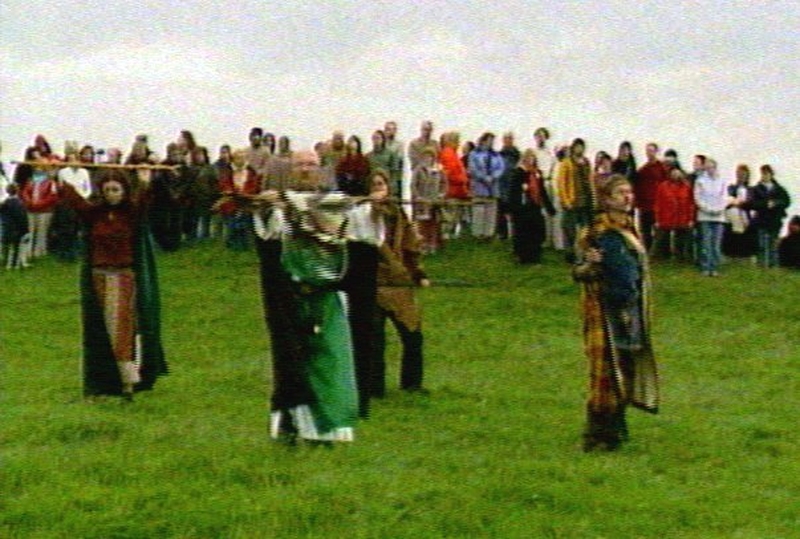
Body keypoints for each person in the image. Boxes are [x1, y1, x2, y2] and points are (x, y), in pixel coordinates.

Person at [250, 150, 359, 444]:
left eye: (311, 165)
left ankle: (332, 429)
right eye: (300, 165)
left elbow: (342, 229)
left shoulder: (334, 203)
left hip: (326, 294)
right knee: (292, 362)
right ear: (291, 170)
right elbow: (268, 234)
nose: (306, 170)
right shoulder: (280, 208)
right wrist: (266, 206)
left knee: (331, 360)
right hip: (290, 296)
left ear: (320, 169)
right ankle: (292, 425)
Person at [57, 169, 168, 400]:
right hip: (99, 277)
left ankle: (128, 382)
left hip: (123, 278)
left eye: (115, 190)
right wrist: (60, 180)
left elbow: (144, 203)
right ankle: (101, 384)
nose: (111, 195)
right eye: (107, 190)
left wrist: (146, 183)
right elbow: (77, 202)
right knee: (100, 331)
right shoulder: (95, 214)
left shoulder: (131, 214)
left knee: (122, 330)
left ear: (124, 191)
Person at [573, 174, 659, 452]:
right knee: (606, 371)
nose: (627, 197)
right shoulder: (597, 232)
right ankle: (598, 433)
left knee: (627, 368)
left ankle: (618, 426)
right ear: (607, 199)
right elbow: (579, 271)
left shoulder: (630, 229)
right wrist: (589, 264)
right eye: (621, 193)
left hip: (630, 308)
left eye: (629, 192)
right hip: (605, 309)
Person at [370, 169, 430, 395]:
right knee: (375, 340)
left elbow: (411, 246)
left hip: (399, 284)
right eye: (374, 185)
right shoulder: (362, 215)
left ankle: (412, 384)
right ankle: (374, 388)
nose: (379, 190)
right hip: (373, 284)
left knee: (413, 335)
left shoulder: (398, 213)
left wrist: (419, 273)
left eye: (382, 185)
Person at [508, 149, 555, 264]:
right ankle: (522, 256)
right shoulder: (518, 173)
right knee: (523, 233)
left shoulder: (537, 173)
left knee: (537, 231)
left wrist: (549, 207)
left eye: (532, 157)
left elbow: (542, 191)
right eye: (528, 157)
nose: (530, 160)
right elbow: (513, 193)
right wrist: (512, 209)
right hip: (522, 209)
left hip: (535, 206)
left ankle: (536, 256)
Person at [741, 165, 791, 268]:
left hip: (775, 220)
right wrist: (765, 204)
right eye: (763, 173)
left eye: (767, 173)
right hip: (761, 220)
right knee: (761, 244)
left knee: (773, 245)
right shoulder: (756, 189)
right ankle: (762, 265)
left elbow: (787, 201)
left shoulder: (779, 189)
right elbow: (751, 203)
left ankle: (773, 266)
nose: (765, 176)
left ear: (771, 174)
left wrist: (776, 203)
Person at [556, 138, 592, 261]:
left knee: (585, 230)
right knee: (569, 229)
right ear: (573, 148)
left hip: (585, 201)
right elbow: (561, 183)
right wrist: (565, 201)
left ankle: (584, 254)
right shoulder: (566, 163)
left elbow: (590, 180)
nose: (579, 149)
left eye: (581, 146)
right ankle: (570, 254)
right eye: (577, 146)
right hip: (572, 201)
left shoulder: (586, 162)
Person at [652, 168, 696, 261]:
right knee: (661, 238)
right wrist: (657, 219)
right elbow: (658, 202)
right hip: (666, 216)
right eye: (673, 173)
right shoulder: (663, 186)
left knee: (681, 238)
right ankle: (660, 256)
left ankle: (680, 257)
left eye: (678, 173)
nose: (676, 175)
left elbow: (691, 203)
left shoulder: (686, 187)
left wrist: (691, 218)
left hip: (682, 216)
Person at [694, 158, 728, 276]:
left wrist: (718, 209)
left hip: (719, 217)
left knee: (716, 243)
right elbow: (698, 198)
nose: (710, 170)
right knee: (706, 243)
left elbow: (724, 197)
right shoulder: (700, 181)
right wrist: (708, 209)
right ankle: (705, 267)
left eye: (712, 167)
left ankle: (714, 267)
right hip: (705, 216)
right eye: (707, 167)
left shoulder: (722, 180)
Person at [468, 132, 505, 240]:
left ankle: (489, 234)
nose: (491, 143)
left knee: (491, 210)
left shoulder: (496, 155)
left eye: (493, 141)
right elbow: (473, 168)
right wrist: (484, 177)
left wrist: (493, 176)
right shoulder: (474, 154)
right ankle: (478, 234)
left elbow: (501, 168)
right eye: (489, 140)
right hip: (479, 185)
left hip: (493, 186)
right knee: (479, 210)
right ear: (483, 140)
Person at [411, 148, 446, 254]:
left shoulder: (439, 169)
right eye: (425, 156)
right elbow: (413, 184)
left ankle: (432, 245)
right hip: (422, 202)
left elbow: (444, 183)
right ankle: (423, 245)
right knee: (422, 225)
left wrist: (441, 195)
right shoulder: (418, 169)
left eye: (430, 156)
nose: (428, 158)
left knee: (433, 224)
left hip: (435, 202)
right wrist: (418, 196)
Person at [635, 143, 669, 251]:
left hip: (659, 204)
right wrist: (637, 203)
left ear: (656, 152)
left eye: (651, 150)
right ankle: (648, 251)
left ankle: (663, 252)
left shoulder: (662, 168)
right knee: (646, 230)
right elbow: (638, 187)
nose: (649, 153)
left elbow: (666, 185)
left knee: (661, 229)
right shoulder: (642, 170)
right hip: (645, 205)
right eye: (647, 151)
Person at [439, 132, 470, 239]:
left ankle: (451, 238)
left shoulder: (453, 153)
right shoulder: (448, 154)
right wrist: (463, 179)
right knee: (449, 218)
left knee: (455, 217)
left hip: (458, 192)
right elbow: (450, 174)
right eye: (457, 141)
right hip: (452, 191)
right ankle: (446, 239)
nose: (459, 144)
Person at [722, 164, 756, 259]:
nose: (741, 176)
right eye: (739, 174)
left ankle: (744, 255)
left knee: (745, 237)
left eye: (743, 174)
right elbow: (726, 200)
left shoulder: (751, 190)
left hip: (746, 217)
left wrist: (743, 204)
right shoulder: (731, 188)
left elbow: (753, 203)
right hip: (731, 218)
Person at [497, 132, 521, 240]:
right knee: (502, 210)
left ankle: (514, 233)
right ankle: (503, 233)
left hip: (513, 184)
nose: (508, 141)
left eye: (510, 139)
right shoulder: (500, 154)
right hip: (502, 185)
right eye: (506, 139)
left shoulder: (517, 153)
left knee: (513, 210)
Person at [1, 184, 30, 269]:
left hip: (6, 228)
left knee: (6, 246)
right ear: (17, 191)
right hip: (16, 229)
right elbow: (22, 219)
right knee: (15, 248)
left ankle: (5, 262)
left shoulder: (4, 203)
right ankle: (13, 265)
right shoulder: (19, 204)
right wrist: (26, 231)